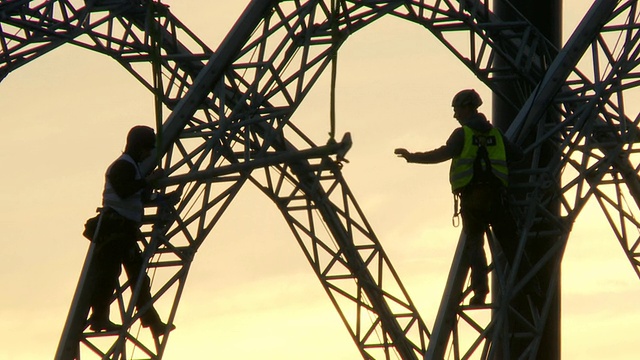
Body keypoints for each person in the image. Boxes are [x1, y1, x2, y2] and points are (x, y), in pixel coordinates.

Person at [395, 89, 522, 305]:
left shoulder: (462, 135)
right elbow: (518, 155)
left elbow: (442, 154)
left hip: (473, 200)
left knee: (475, 244)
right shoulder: (497, 135)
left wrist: (412, 157)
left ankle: (480, 293)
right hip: (497, 199)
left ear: (467, 108)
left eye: (456, 110)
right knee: (511, 245)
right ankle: (527, 287)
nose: (455, 115)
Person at [87, 125, 175, 336]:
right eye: (146, 149)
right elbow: (125, 191)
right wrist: (148, 181)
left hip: (123, 233)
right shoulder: (122, 167)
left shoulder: (132, 169)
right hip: (114, 232)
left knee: (139, 280)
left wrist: (164, 198)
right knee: (108, 276)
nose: (147, 154)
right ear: (138, 147)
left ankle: (153, 324)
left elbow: (139, 197)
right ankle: (99, 319)